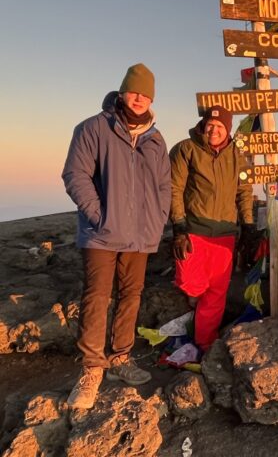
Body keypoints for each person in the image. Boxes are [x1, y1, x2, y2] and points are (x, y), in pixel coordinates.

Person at [62, 63, 171, 409]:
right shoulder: (94, 128)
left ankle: (120, 356)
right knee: (96, 296)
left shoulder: (155, 138)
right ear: (123, 92)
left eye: (146, 93)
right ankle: (93, 367)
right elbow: (75, 175)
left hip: (140, 236)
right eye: (134, 91)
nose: (139, 98)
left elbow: (163, 187)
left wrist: (157, 221)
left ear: (151, 98)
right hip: (101, 234)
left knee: (131, 295)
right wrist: (100, 216)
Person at [169, 105, 254, 352]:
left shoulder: (238, 155)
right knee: (188, 281)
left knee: (216, 293)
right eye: (210, 125)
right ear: (203, 125)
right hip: (194, 228)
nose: (214, 130)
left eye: (220, 127)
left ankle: (205, 343)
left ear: (228, 130)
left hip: (225, 233)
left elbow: (244, 192)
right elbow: (174, 188)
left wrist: (247, 224)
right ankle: (192, 302)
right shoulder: (186, 149)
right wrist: (179, 226)